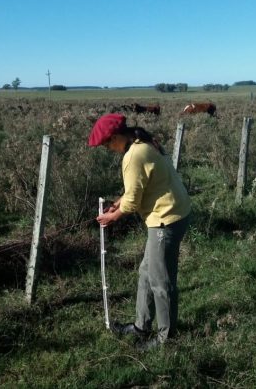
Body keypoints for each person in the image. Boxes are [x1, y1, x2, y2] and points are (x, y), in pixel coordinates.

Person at [88, 113, 192, 351]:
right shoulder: (141, 144)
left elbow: (133, 202)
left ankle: (166, 338)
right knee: (146, 271)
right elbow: (136, 188)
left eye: (106, 143)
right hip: (170, 213)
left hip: (166, 220)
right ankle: (141, 325)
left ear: (115, 137)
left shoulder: (134, 155)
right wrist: (117, 203)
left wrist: (112, 216)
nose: (107, 148)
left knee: (161, 282)